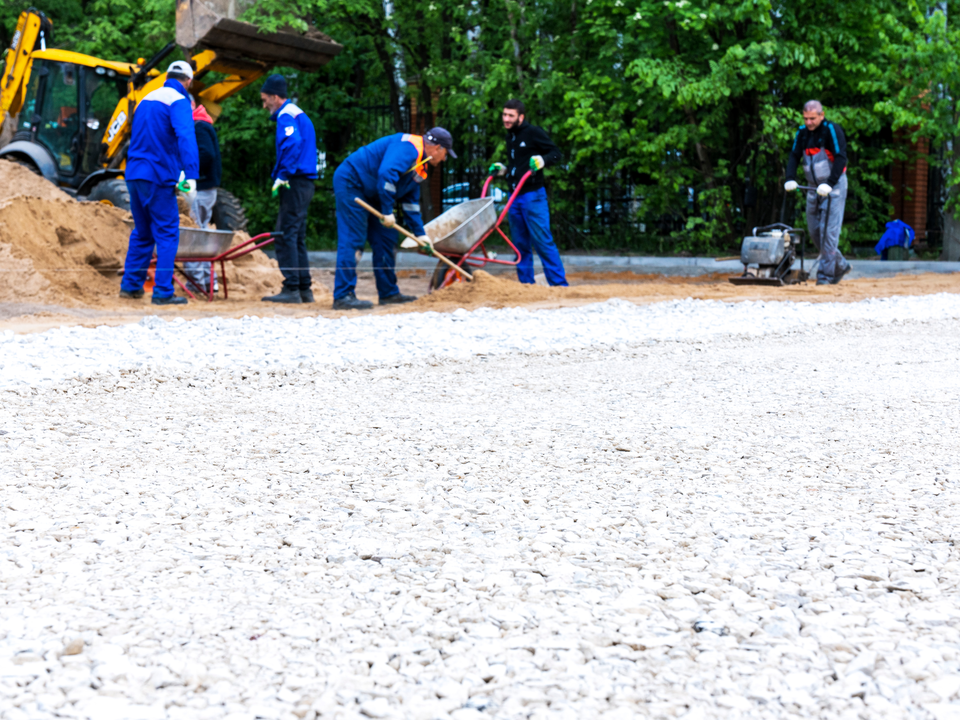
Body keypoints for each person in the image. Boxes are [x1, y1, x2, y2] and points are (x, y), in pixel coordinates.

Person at [332, 128, 455, 310]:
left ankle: (388, 293)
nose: (444, 159)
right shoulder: (409, 147)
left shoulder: (421, 166)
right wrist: (388, 211)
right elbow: (386, 174)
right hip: (353, 182)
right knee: (353, 239)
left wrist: (420, 235)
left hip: (375, 192)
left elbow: (411, 203)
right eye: (445, 153)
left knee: (386, 240)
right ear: (437, 148)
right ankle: (343, 295)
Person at [119, 60, 199, 305]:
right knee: (166, 234)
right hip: (157, 176)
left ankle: (131, 286)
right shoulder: (179, 100)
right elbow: (185, 135)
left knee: (143, 233)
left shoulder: (145, 99)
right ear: (188, 81)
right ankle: (163, 292)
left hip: (134, 174)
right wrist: (191, 174)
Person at [488, 99, 568, 287]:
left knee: (542, 241)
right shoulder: (511, 137)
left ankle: (559, 285)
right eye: (504, 114)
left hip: (533, 197)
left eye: (510, 116)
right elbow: (519, 166)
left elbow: (556, 153)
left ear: (521, 117)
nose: (506, 119)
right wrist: (504, 170)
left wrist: (543, 160)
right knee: (520, 245)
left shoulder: (533, 133)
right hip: (514, 198)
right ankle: (526, 285)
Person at [260, 74, 318, 304]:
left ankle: (291, 287)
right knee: (297, 237)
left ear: (276, 97)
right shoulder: (297, 113)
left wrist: (283, 174)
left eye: (265, 100)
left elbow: (292, 143)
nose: (264, 105)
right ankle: (304, 288)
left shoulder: (286, 115)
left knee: (284, 235)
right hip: (305, 183)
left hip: (295, 181)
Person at [784, 100, 852, 285]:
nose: (809, 122)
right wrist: (790, 178)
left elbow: (841, 157)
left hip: (833, 187)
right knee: (815, 231)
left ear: (821, 115)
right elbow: (794, 155)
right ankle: (840, 265)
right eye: (806, 118)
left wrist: (830, 183)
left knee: (828, 233)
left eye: (813, 118)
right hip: (813, 188)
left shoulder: (831, 130)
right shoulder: (802, 133)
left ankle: (826, 277)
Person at [183, 93, 222, 293]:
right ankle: (209, 282)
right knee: (202, 233)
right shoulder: (202, 123)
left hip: (202, 188)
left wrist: (189, 175)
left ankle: (196, 283)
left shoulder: (198, 126)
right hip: (207, 187)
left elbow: (206, 154)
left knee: (193, 235)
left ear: (191, 104)